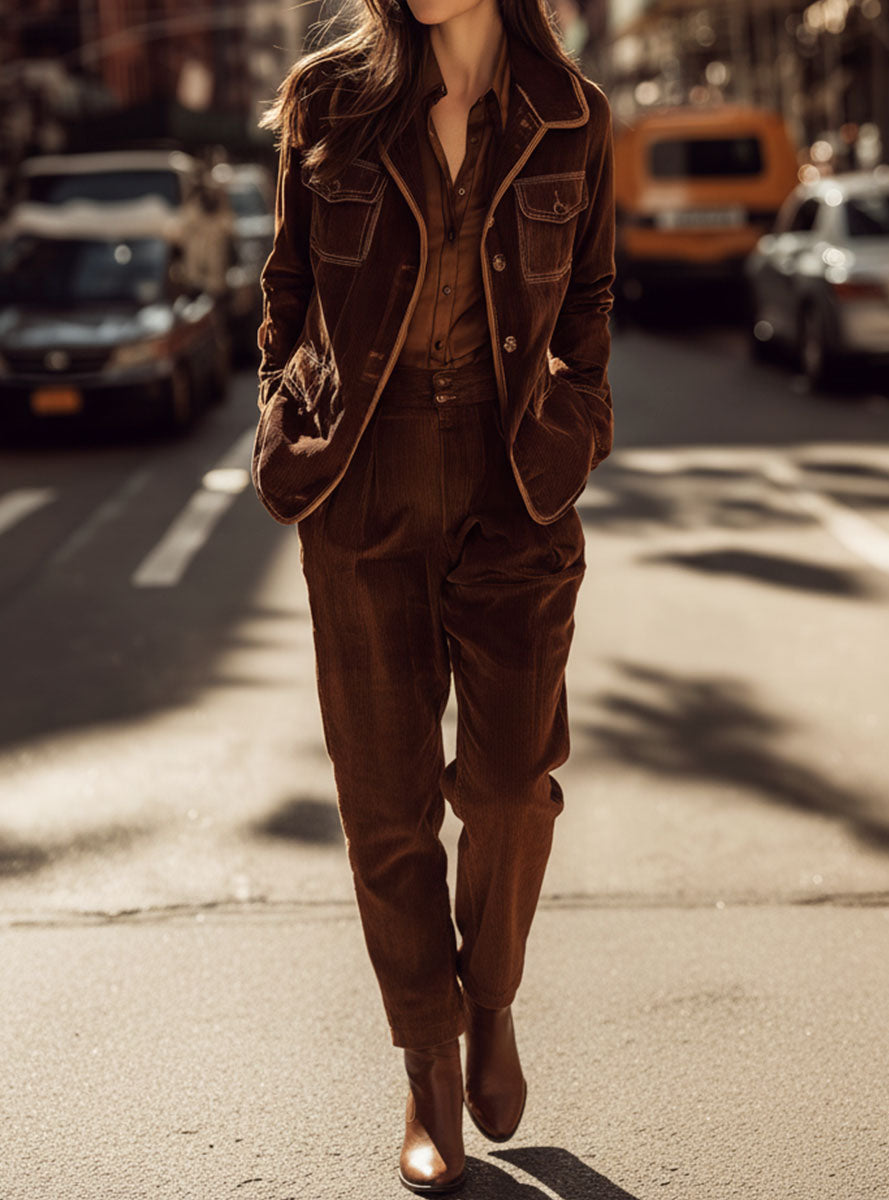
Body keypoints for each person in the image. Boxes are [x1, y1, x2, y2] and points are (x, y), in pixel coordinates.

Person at [254, 0, 615, 1188]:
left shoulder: (572, 116)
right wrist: (283, 420)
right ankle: (428, 1060)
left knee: (511, 783)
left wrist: (579, 425)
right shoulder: (329, 100)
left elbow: (593, 308)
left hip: (514, 479)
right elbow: (287, 290)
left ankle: (491, 993)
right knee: (387, 804)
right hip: (364, 477)